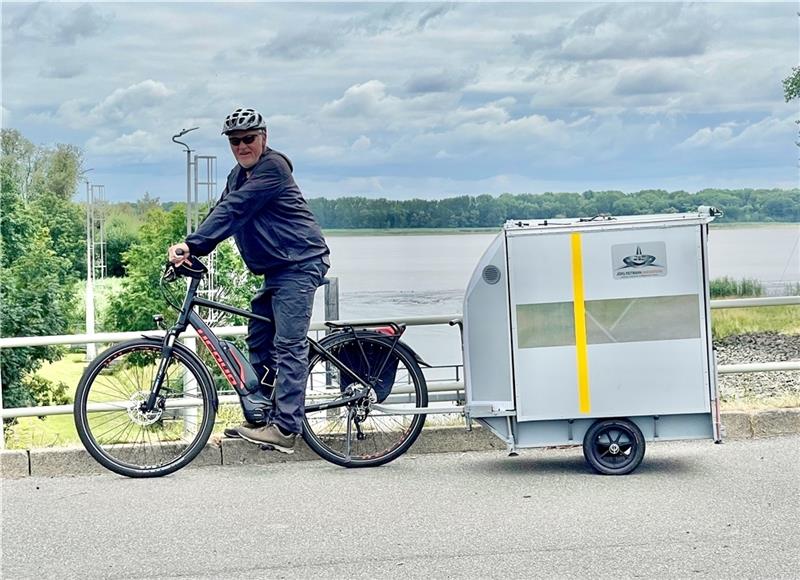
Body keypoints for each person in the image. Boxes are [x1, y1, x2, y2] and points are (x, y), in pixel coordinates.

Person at [168, 107, 330, 453]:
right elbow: (220, 212)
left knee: (289, 344)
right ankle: (263, 417)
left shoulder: (273, 167)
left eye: (248, 139)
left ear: (264, 138)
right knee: (259, 336)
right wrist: (192, 250)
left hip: (301, 263)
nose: (242, 146)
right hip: (277, 268)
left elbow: (237, 209)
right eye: (235, 141)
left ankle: (285, 429)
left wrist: (192, 244)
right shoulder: (237, 176)